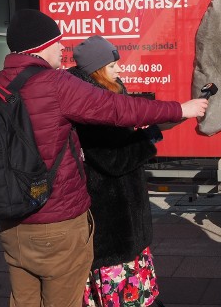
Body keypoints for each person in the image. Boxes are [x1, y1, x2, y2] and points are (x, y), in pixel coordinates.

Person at [0, 10, 207, 307]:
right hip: (72, 222)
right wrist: (173, 115)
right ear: (42, 46)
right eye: (57, 42)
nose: (61, 48)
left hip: (14, 220)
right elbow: (121, 119)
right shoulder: (60, 86)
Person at [67, 36, 165, 307]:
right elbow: (113, 159)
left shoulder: (110, 93)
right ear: (97, 70)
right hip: (110, 217)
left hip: (125, 213)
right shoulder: (88, 105)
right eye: (112, 66)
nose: (120, 70)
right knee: (119, 294)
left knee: (133, 288)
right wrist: (148, 137)